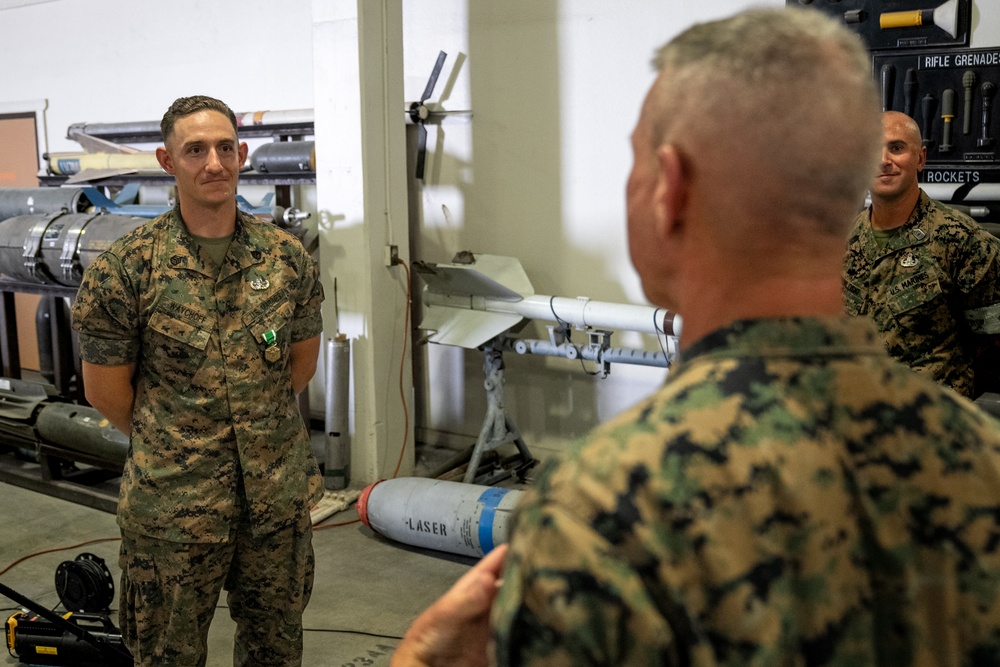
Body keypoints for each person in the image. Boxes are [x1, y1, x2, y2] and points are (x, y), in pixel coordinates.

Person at [392, 8, 1000, 666]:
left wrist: (418, 661)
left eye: (634, 163)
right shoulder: (981, 462)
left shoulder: (605, 513)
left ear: (670, 190)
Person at [71, 95, 324, 666]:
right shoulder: (127, 267)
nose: (214, 162)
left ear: (243, 155)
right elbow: (106, 392)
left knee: (275, 650)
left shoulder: (285, 257)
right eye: (195, 150)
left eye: (225, 148)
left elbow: (299, 364)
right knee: (166, 656)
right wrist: (178, 443)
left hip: (274, 502)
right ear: (167, 161)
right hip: (173, 508)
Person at [843, 111, 1000, 399]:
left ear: (920, 158)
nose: (883, 160)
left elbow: (992, 348)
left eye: (897, 148)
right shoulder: (845, 240)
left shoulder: (963, 240)